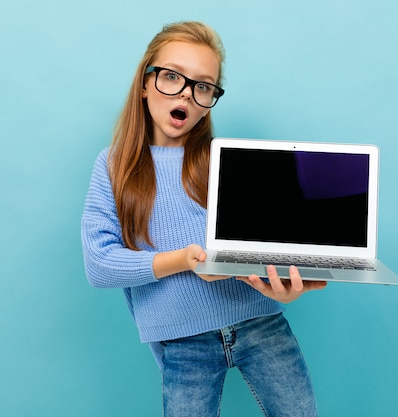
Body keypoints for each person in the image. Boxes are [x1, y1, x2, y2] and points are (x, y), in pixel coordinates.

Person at [81, 21, 327, 417]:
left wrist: (283, 288)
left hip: (261, 323)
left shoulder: (228, 162)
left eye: (203, 86)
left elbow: (263, 245)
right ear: (145, 81)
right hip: (181, 341)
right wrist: (184, 260)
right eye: (172, 77)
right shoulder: (114, 167)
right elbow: (99, 264)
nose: (186, 94)